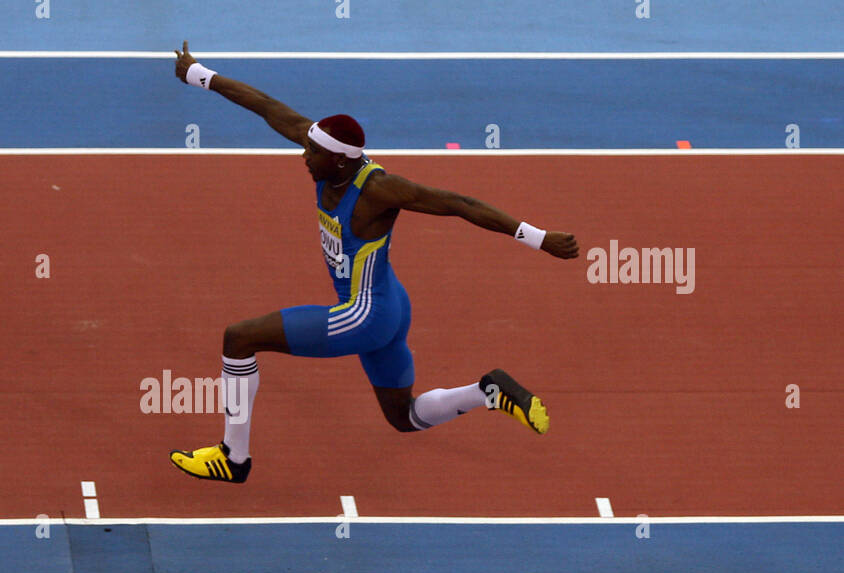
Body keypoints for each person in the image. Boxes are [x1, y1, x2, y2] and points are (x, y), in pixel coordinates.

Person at [169, 42, 579, 484]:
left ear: (341, 162)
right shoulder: (328, 152)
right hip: (390, 303)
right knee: (403, 417)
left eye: (313, 155)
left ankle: (233, 457)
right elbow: (268, 107)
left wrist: (538, 238)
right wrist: (200, 75)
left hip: (365, 315)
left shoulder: (378, 190)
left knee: (239, 339)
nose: (303, 157)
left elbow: (458, 203)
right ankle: (488, 392)